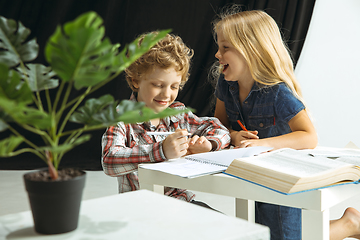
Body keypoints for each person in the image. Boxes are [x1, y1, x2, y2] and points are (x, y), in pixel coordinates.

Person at [211, 7, 358, 240]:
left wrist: (262, 145)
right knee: (266, 233)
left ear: (250, 50)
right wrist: (233, 135)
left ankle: (349, 224)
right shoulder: (225, 85)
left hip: (283, 176)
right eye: (219, 47)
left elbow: (309, 136)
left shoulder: (277, 92)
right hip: (250, 173)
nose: (218, 55)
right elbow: (217, 127)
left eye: (225, 48)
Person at [101, 32, 230, 205]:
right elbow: (109, 160)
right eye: (158, 85)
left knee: (224, 226)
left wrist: (210, 143)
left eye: (174, 86)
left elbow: (219, 128)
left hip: (180, 202)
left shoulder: (177, 114)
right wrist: (160, 150)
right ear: (136, 80)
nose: (166, 94)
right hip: (141, 208)